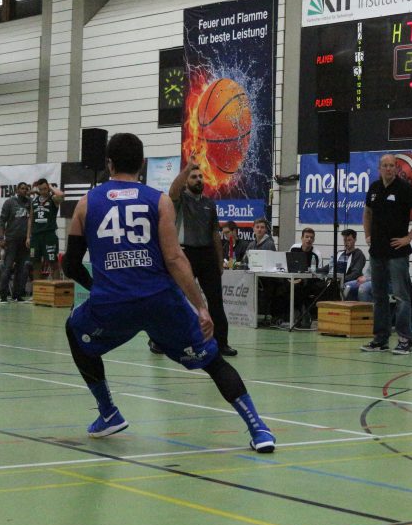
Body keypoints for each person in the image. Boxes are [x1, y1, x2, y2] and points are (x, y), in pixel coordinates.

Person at [60, 133, 274, 451]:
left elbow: (71, 264)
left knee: (74, 331)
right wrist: (201, 307)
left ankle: (108, 412)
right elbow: (175, 259)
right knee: (212, 359)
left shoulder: (86, 203)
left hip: (112, 303)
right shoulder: (158, 201)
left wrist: (98, 288)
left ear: (108, 163)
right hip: (160, 300)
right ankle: (259, 430)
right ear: (142, 164)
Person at [162, 157, 236, 356]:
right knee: (175, 299)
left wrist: (219, 260)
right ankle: (159, 341)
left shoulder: (209, 204)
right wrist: (187, 169)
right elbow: (172, 191)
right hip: (186, 255)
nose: (198, 180)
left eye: (200, 177)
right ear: (187, 181)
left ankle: (221, 343)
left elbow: (214, 234)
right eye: (194, 177)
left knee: (216, 301)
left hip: (207, 256)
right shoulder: (180, 200)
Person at [359, 154, 412, 355]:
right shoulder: (374, 188)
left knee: (401, 296)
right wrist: (367, 235)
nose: (388, 169)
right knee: (379, 296)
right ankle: (380, 339)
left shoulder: (404, 188)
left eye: (392, 166)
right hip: (377, 251)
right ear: (379, 168)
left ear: (396, 169)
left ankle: (405, 339)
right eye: (385, 166)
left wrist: (409, 237)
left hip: (397, 251)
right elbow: (367, 213)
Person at [0, 182, 31, 303]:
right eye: (22, 189)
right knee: (7, 268)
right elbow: (2, 221)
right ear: (17, 190)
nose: (24, 191)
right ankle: (3, 295)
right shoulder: (10, 202)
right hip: (11, 240)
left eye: (26, 189)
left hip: (24, 242)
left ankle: (17, 295)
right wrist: (2, 238)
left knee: (22, 269)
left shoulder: (29, 203)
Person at [27, 178, 65, 280]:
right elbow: (31, 218)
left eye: (45, 188)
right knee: (35, 264)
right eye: (40, 189)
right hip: (35, 237)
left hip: (49, 236)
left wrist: (50, 186)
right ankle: (37, 292)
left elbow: (61, 195)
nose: (43, 191)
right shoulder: (34, 201)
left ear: (48, 188)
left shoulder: (54, 199)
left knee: (53, 263)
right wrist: (28, 237)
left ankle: (57, 291)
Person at [332, 229, 367, 299]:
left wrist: (340, 279)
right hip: (338, 281)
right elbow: (329, 267)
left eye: (349, 240)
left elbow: (356, 273)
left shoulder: (358, 254)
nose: (346, 243)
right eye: (344, 240)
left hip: (348, 282)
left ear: (355, 240)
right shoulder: (340, 253)